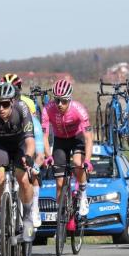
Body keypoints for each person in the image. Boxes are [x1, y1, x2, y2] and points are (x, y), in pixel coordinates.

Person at [0, 82, 36, 243]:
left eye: (4, 104)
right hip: (0, 145)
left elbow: (30, 141)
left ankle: (28, 216)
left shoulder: (22, 109)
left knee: (23, 179)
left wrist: (29, 156)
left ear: (12, 102)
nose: (0, 108)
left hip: (20, 144)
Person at [0, 73, 44, 228]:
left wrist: (32, 157)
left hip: (25, 134)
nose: (1, 108)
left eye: (4, 104)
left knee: (28, 173)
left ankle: (32, 211)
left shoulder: (26, 104)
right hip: (2, 140)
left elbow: (32, 135)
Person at [42, 79, 93, 218]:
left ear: (70, 100)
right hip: (60, 141)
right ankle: (60, 216)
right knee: (59, 182)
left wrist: (87, 160)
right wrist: (48, 156)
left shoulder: (79, 110)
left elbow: (88, 138)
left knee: (78, 163)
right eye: (57, 100)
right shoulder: (47, 109)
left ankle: (82, 193)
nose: (59, 104)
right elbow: (44, 136)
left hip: (77, 138)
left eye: (63, 101)